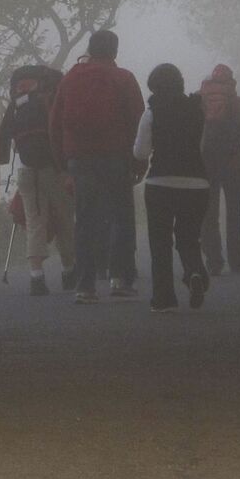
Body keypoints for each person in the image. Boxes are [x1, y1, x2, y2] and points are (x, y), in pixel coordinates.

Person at [48, 30, 144, 304]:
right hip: (116, 157)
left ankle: (85, 285)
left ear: (90, 49)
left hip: (79, 159)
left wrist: (64, 165)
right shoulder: (123, 78)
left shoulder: (70, 79)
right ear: (114, 51)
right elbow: (138, 120)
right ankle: (119, 279)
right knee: (121, 217)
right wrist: (139, 161)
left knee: (85, 220)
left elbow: (54, 124)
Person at [134, 64, 212, 312]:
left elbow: (141, 152)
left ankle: (164, 299)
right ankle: (194, 272)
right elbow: (203, 146)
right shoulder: (197, 109)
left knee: (160, 242)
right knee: (189, 237)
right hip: (197, 183)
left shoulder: (151, 113)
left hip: (160, 183)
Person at [0, 64, 73, 296]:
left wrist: (2, 159)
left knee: (34, 222)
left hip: (27, 170)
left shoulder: (18, 103)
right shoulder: (51, 99)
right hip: (55, 168)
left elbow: (3, 136)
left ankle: (36, 277)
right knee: (65, 219)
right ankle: (69, 271)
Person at [197, 65, 240, 275]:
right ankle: (237, 261)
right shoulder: (237, 103)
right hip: (233, 161)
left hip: (206, 162)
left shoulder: (200, 102)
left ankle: (214, 261)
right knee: (235, 211)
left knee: (209, 213)